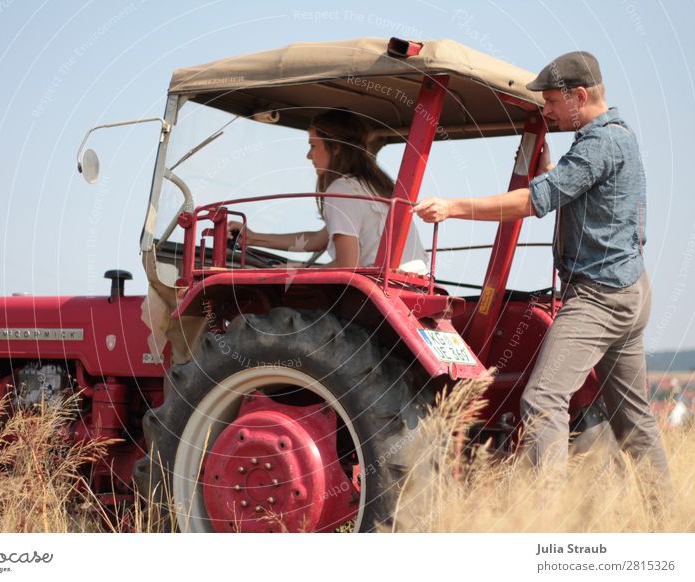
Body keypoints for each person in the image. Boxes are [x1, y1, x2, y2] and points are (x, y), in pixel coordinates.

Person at [413, 51, 670, 487]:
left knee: (543, 399)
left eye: (551, 101)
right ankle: (668, 522)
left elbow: (531, 203)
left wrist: (453, 207)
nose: (547, 110)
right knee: (633, 417)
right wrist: (551, 170)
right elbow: (586, 195)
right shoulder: (616, 138)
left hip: (599, 296)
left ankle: (547, 519)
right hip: (630, 289)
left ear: (580, 95)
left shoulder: (598, 143)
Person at [228, 110, 427, 272]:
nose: (308, 155)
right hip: (412, 283)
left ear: (336, 148)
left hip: (376, 293)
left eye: (313, 145)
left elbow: (348, 264)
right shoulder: (376, 186)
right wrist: (253, 238)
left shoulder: (342, 189)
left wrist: (300, 271)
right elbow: (317, 240)